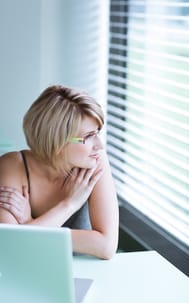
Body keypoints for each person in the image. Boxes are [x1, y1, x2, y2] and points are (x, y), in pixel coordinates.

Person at [0, 85, 119, 259]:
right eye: (88, 136)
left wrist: (30, 225)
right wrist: (69, 204)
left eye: (98, 133)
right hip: (28, 273)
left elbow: (106, 247)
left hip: (83, 274)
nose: (99, 145)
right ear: (57, 139)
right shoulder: (12, 166)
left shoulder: (96, 162)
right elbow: (11, 248)